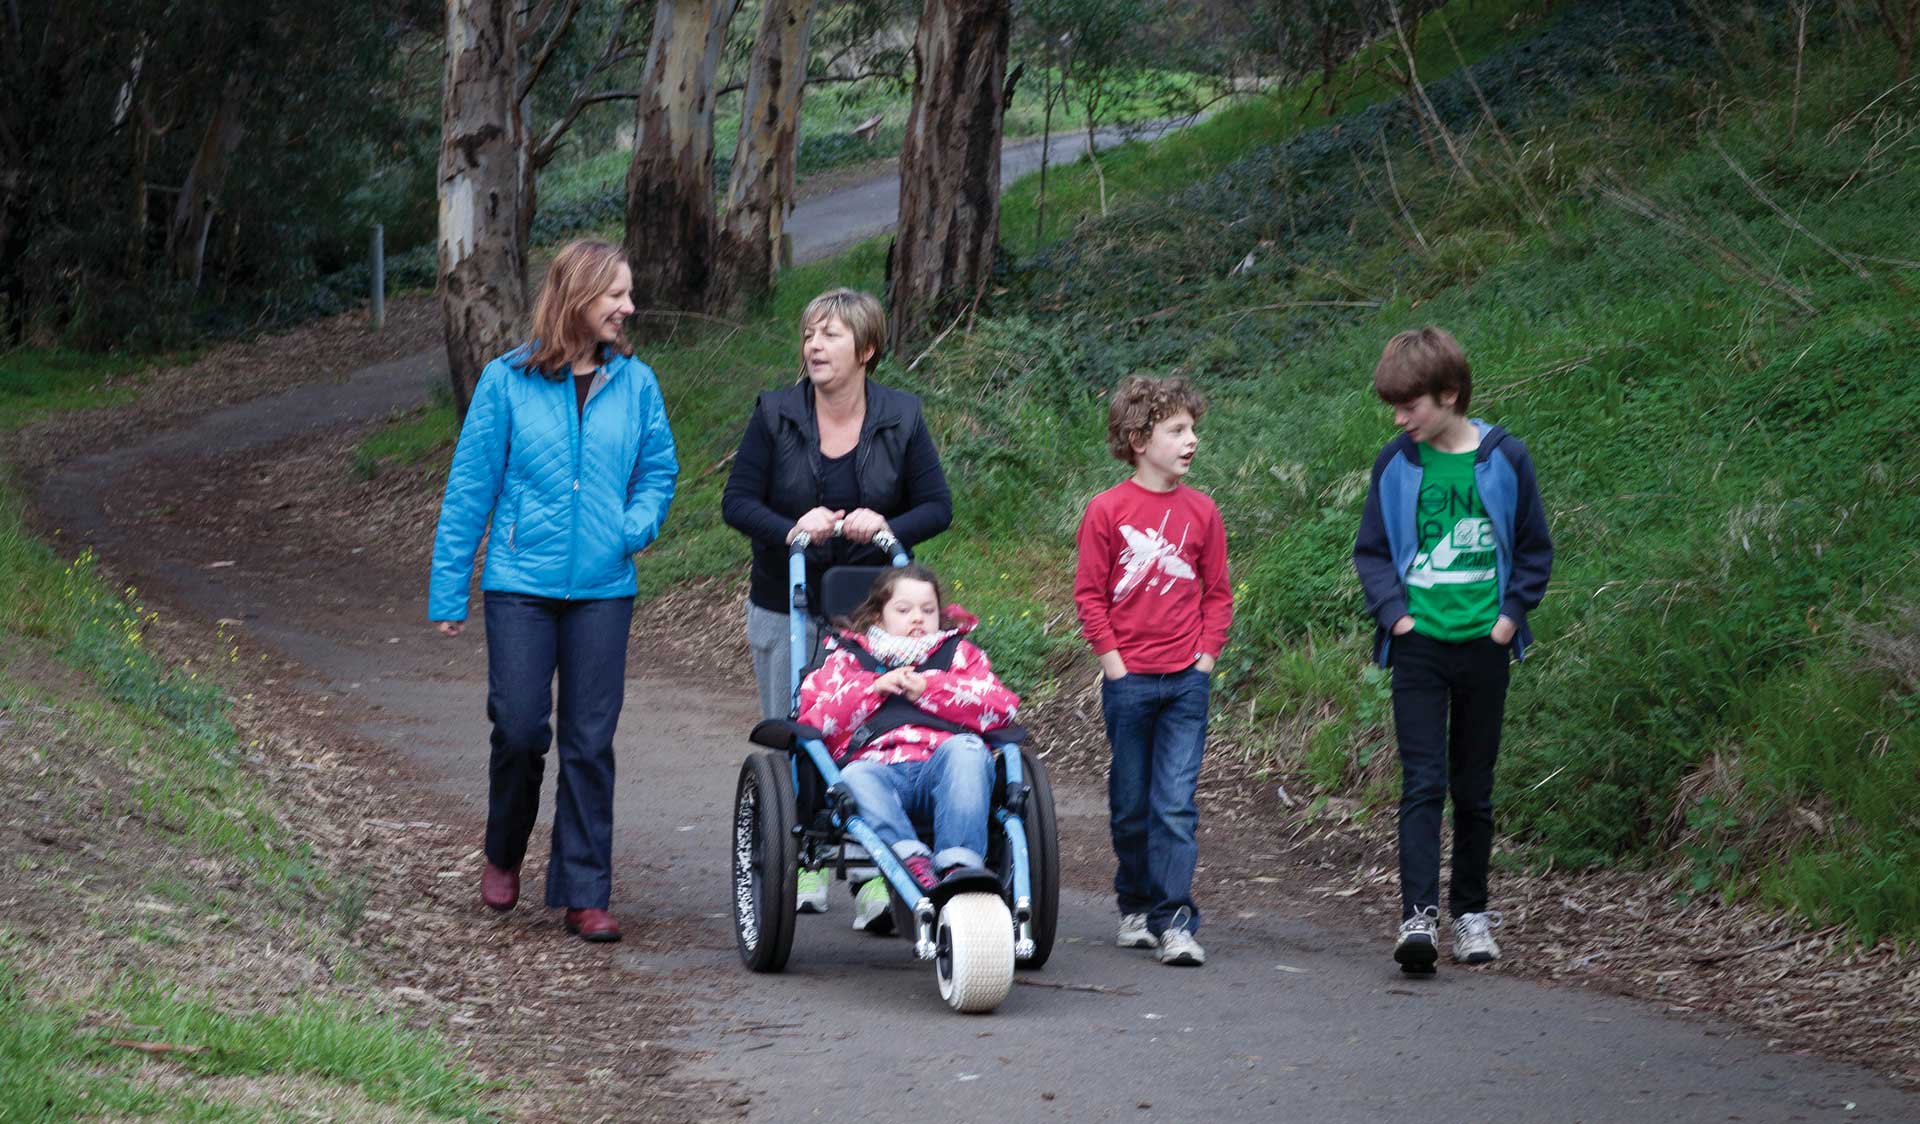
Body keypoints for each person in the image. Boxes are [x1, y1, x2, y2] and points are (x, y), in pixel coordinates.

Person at [427, 239, 679, 944]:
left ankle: (584, 892)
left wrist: (632, 527)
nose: (629, 307)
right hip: (520, 583)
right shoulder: (506, 381)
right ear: (578, 295)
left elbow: (659, 471)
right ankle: (503, 849)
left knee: (589, 741)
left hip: (604, 587)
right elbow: (470, 488)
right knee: (519, 729)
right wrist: (450, 588)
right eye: (616, 294)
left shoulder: (637, 383)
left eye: (627, 295)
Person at [721, 287, 953, 913]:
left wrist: (885, 525)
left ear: (867, 348)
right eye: (808, 335)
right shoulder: (775, 414)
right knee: (797, 732)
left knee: (870, 728)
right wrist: (794, 527)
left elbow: (937, 506)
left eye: (830, 335)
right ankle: (803, 860)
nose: (814, 346)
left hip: (869, 608)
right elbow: (737, 502)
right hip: (784, 598)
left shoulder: (901, 416)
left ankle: (877, 869)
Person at [1352, 326, 1553, 974]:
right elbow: (1374, 551)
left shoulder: (1504, 457)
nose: (1399, 416)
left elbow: (1533, 548)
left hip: (1484, 648)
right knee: (1423, 784)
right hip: (1419, 649)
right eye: (1395, 405)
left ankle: (1471, 915)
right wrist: (1396, 617)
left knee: (1474, 787)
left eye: (1410, 404)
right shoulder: (1396, 462)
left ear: (1449, 394)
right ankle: (1419, 919)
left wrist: (1509, 618)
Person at [1073, 376, 1233, 968]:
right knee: (1130, 802)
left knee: (1174, 803)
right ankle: (1134, 904)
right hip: (1129, 682)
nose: (1192, 440)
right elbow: (1090, 595)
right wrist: (1113, 664)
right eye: (1177, 430)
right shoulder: (1108, 510)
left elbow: (1217, 594)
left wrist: (1206, 656)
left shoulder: (1202, 511)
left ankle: (1176, 922)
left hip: (1187, 682)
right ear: (1139, 439)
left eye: (1193, 429)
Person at [795, 565, 1021, 934]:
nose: (917, 618)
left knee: (967, 750)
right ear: (877, 615)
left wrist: (931, 690)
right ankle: (910, 859)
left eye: (927, 610)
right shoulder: (847, 658)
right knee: (854, 775)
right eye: (904, 610)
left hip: (944, 767)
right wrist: (874, 688)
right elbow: (814, 719)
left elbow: (1002, 707)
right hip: (877, 768)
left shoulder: (959, 655)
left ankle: (960, 866)